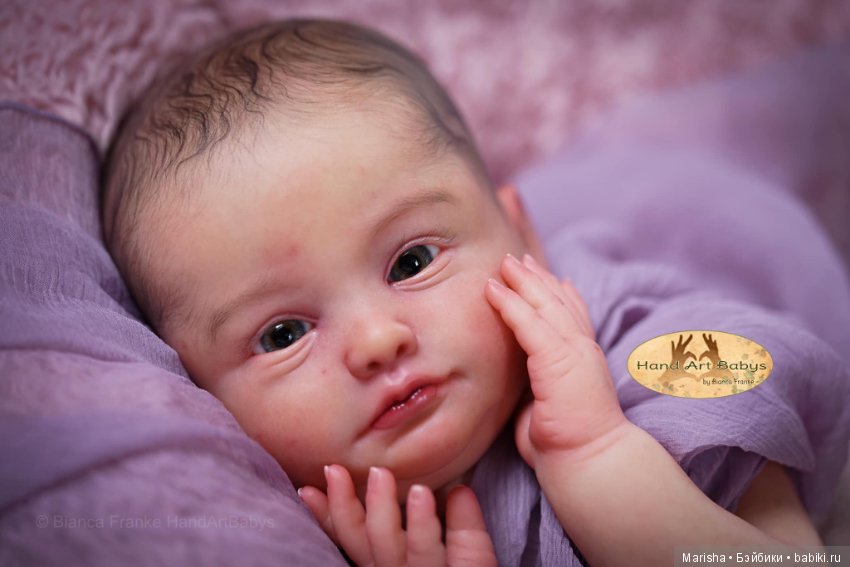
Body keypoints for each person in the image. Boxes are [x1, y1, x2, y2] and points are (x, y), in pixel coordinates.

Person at [101, 19, 840, 566]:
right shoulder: (329, 535)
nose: (376, 339)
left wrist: (599, 455)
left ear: (525, 239)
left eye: (413, 260)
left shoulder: (661, 353)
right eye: (283, 334)